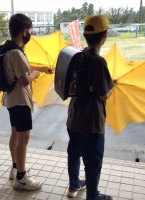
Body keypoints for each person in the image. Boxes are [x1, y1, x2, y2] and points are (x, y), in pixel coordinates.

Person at [0, 13, 52, 191]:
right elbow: (25, 80)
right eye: (30, 31)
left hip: (11, 99)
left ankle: (15, 167)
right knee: (24, 137)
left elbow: (20, 71)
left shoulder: (7, 49)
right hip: (20, 101)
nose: (31, 34)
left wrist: (41, 69)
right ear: (23, 32)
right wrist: (36, 74)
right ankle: (21, 178)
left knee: (15, 134)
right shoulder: (17, 53)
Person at [66, 15, 114, 199]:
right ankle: (93, 196)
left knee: (74, 152)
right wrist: (112, 87)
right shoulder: (98, 62)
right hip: (92, 122)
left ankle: (73, 185)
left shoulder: (78, 57)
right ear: (105, 35)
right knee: (93, 161)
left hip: (74, 117)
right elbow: (104, 94)